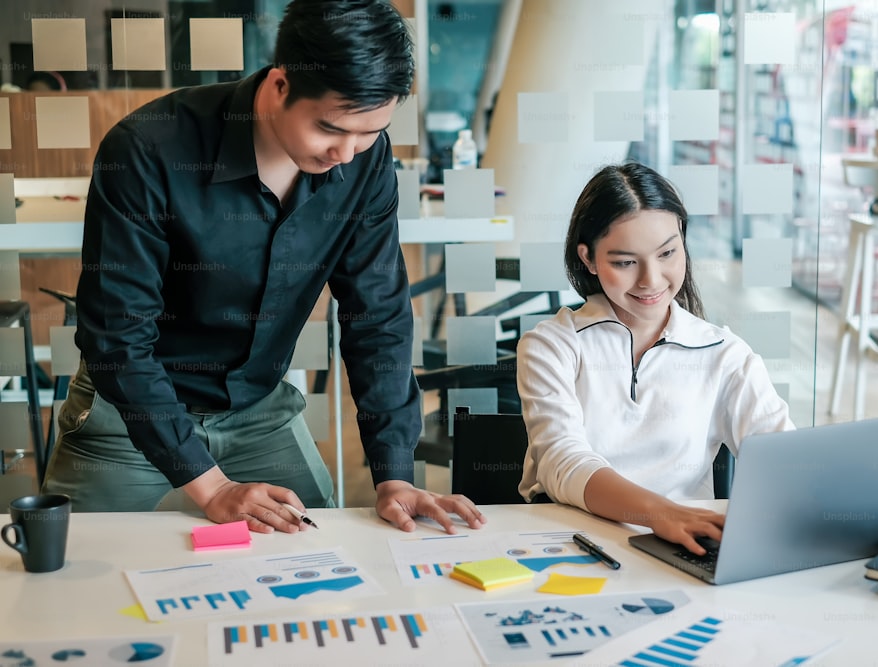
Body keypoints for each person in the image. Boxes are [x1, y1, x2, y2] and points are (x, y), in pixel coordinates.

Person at [41, 0, 485, 536]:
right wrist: (212, 486)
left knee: (324, 558)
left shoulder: (365, 160)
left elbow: (378, 317)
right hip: (129, 412)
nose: (346, 153)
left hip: (258, 409)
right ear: (279, 86)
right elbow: (116, 336)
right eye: (329, 129)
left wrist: (395, 474)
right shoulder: (149, 149)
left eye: (367, 133)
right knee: (71, 581)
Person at [517, 163, 793, 554]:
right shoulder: (553, 346)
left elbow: (782, 460)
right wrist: (663, 514)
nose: (651, 279)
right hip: (566, 546)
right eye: (625, 262)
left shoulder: (725, 355)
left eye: (667, 253)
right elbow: (562, 462)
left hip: (683, 551)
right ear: (589, 259)